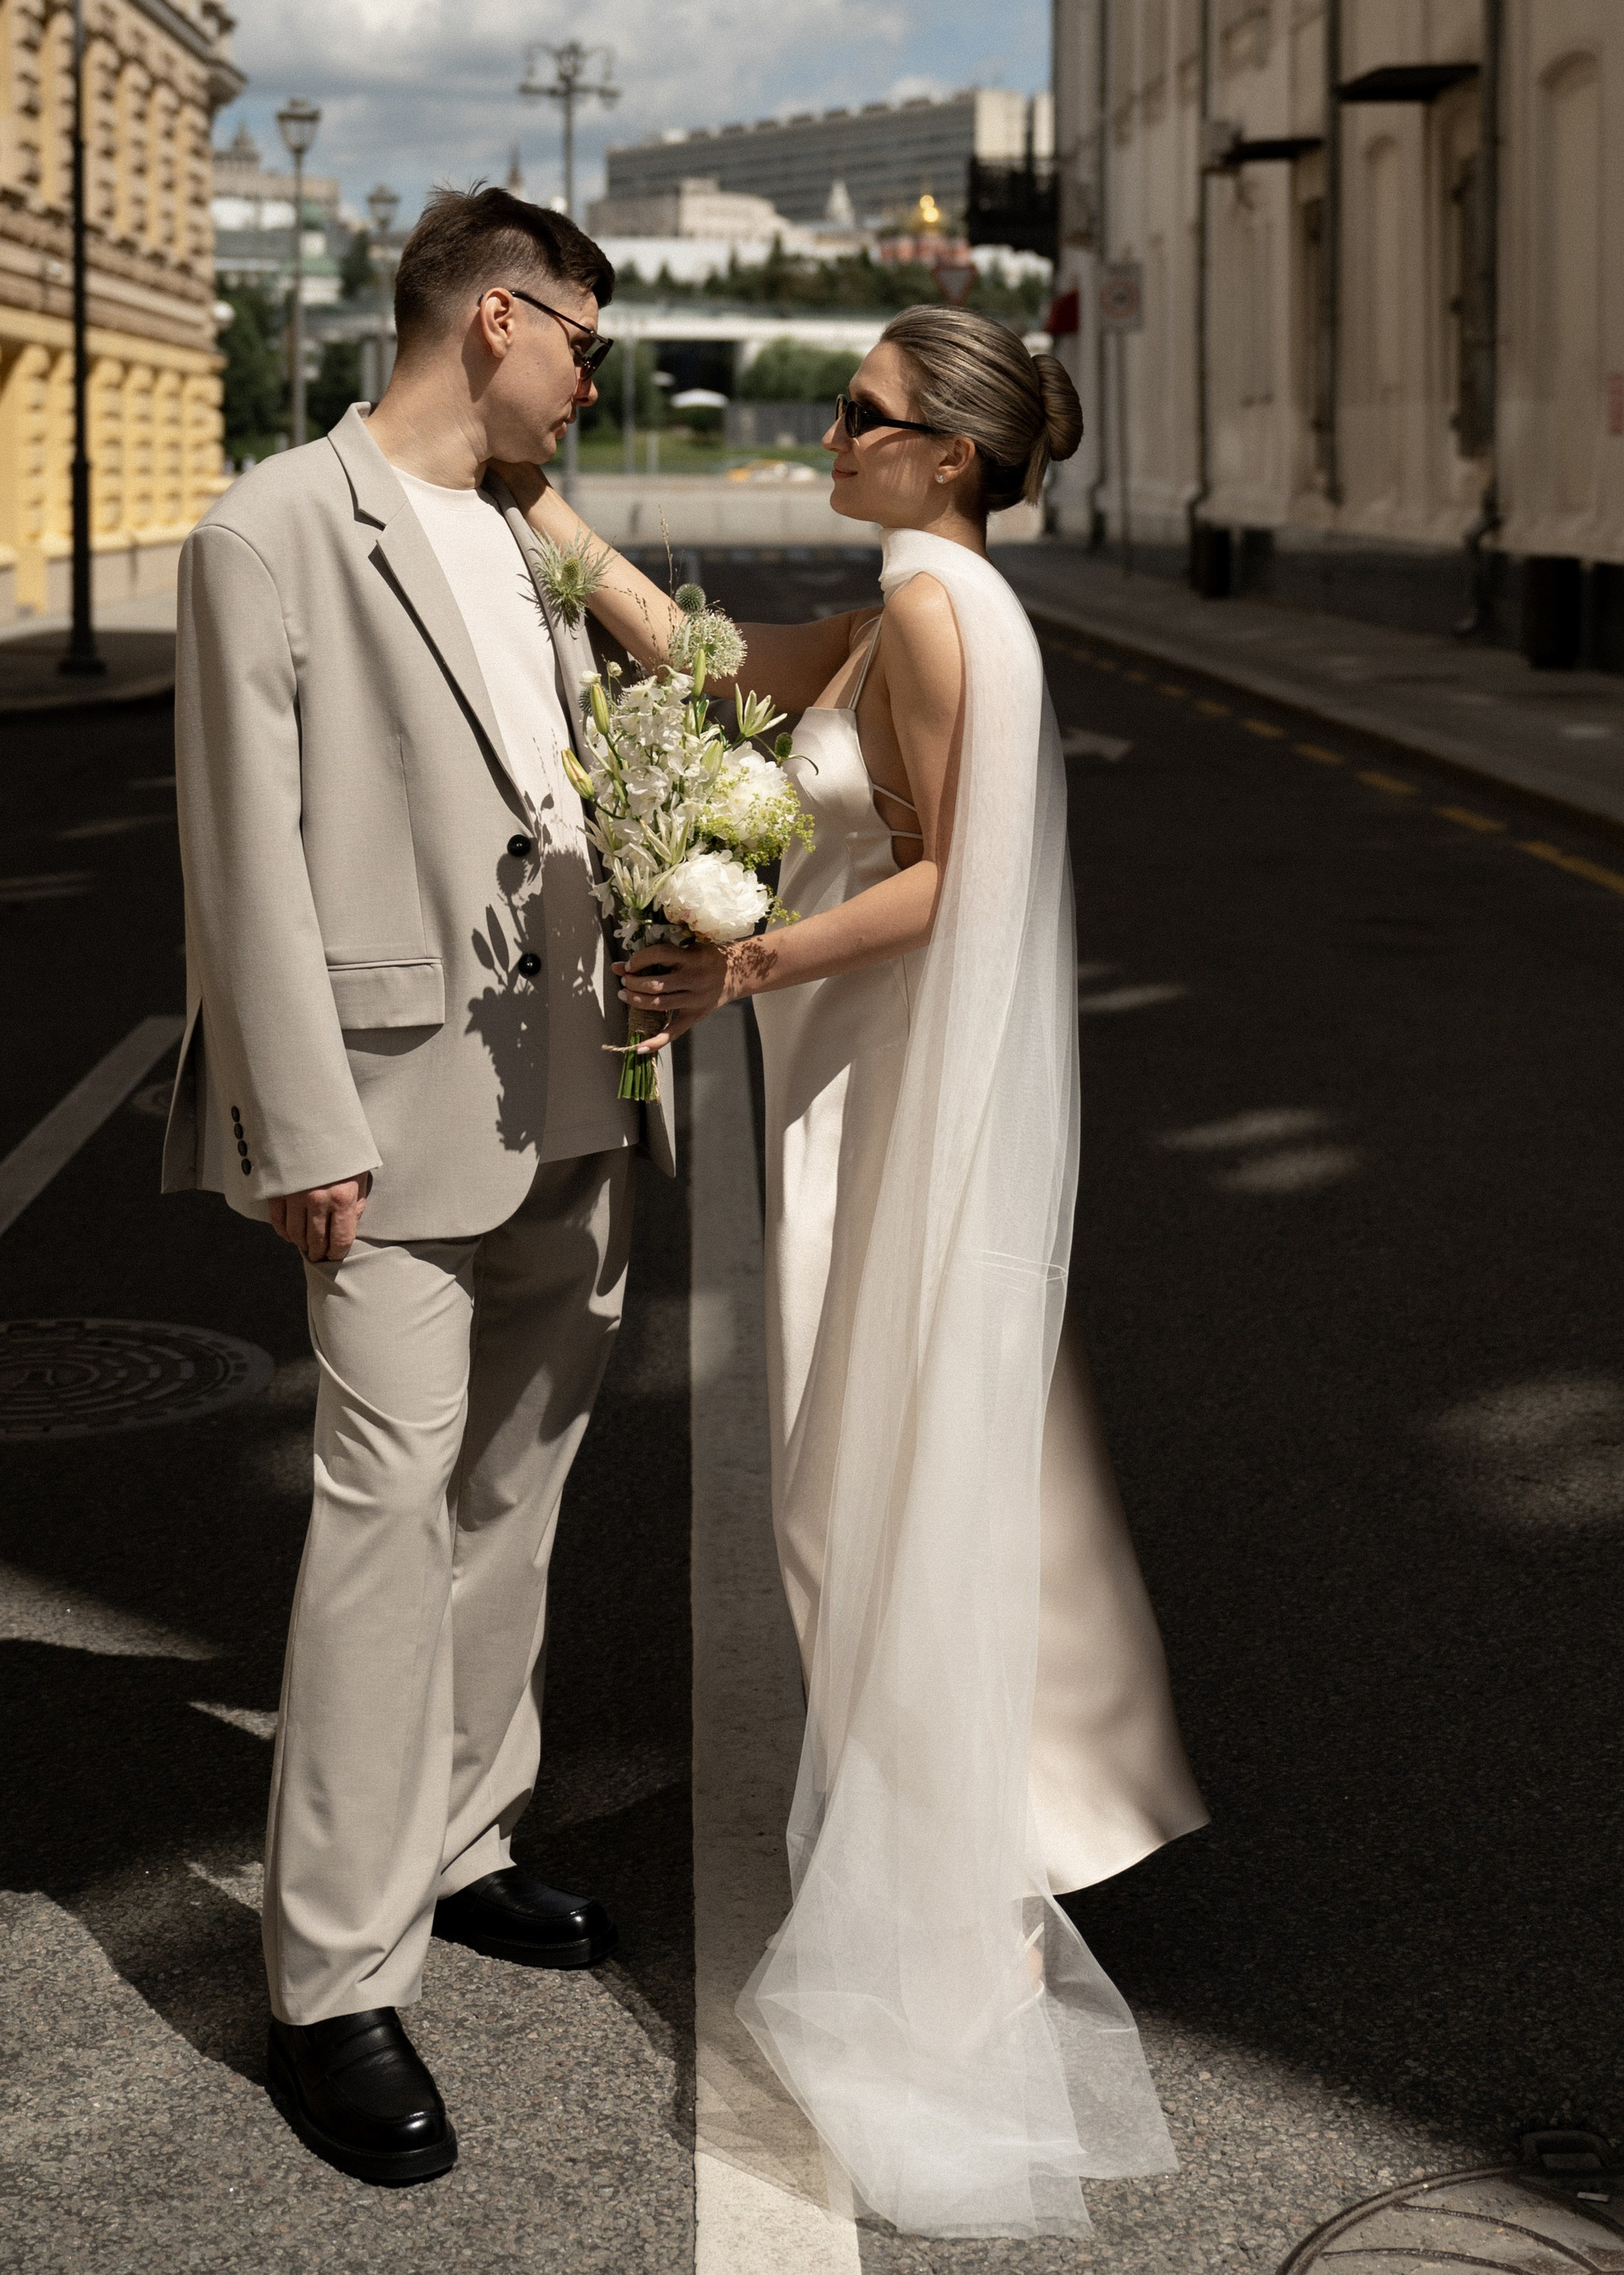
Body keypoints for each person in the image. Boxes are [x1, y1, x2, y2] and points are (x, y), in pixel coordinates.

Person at [494, 305, 1207, 2240]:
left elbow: (950, 872)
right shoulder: (910, 597)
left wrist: (738, 967)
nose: (832, 427)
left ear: (947, 455)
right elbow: (727, 685)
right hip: (853, 1110)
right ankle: (957, 1868)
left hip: (886, 1114)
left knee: (868, 1500)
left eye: (865, 413)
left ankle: (947, 1936)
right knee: (860, 1503)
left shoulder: (952, 613)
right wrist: (549, 519)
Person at [163, 186, 672, 2187]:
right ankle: (331, 1981)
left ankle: (465, 1843)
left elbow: (582, 777)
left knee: (520, 1490)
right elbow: (244, 849)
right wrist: (300, 1123)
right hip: (382, 1095)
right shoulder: (272, 527)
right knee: (386, 1513)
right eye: (589, 345)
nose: (596, 379)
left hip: (568, 1053)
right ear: (496, 320)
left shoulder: (529, 538)